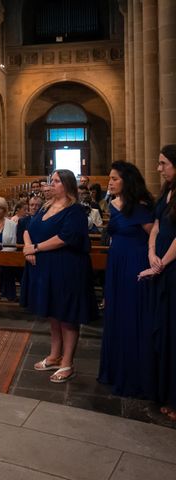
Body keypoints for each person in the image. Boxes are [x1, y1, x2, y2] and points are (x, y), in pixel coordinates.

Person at [21, 169, 98, 383]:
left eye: (56, 181)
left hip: (68, 269)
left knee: (67, 316)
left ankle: (67, 363)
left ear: (66, 185)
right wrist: (28, 246)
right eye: (51, 180)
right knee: (54, 315)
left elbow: (65, 238)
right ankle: (54, 356)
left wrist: (35, 248)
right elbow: (28, 227)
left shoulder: (74, 210)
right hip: (47, 269)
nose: (51, 184)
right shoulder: (46, 206)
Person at [97, 161, 154, 398]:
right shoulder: (112, 203)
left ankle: (134, 376)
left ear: (127, 181)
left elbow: (155, 236)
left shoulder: (140, 207)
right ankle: (115, 370)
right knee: (116, 314)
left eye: (115, 179)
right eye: (109, 178)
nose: (109, 182)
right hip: (116, 265)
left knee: (131, 316)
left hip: (134, 264)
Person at [139, 145, 176, 421]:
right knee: (160, 329)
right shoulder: (166, 192)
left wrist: (162, 262)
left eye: (163, 163)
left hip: (172, 270)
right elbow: (157, 226)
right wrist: (152, 252)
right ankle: (161, 390)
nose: (158, 168)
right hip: (160, 265)